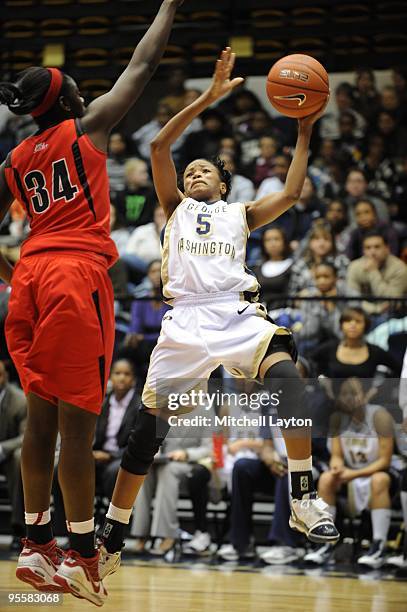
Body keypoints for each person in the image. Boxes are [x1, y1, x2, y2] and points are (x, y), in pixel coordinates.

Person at [99, 48, 339, 576]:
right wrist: (207, 98)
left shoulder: (242, 213)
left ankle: (303, 495)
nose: (196, 174)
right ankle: (112, 532)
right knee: (147, 433)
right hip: (183, 320)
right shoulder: (175, 209)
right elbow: (161, 143)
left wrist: (303, 131)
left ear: (225, 186)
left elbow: (294, 190)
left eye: (206, 170)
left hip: (235, 313)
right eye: (191, 172)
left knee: (289, 383)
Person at [0, 0, 185, 605]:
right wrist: (170, 4)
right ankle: (83, 554)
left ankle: (35, 542)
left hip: (29, 277)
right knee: (77, 429)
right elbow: (145, 60)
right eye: (80, 89)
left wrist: (16, 271)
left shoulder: (14, 161)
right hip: (75, 276)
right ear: (67, 101)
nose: (88, 94)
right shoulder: (87, 129)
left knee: (41, 420)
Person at [305, 377, 395, 568]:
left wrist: (352, 474)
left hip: (378, 472)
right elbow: (336, 455)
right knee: (326, 478)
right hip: (350, 473)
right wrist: (337, 466)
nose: (349, 398)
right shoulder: (337, 419)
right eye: (344, 394)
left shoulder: (380, 416)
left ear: (365, 394)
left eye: (354, 393)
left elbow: (385, 461)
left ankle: (379, 547)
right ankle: (326, 543)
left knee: (379, 480)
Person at [346, 230, 407, 315]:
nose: (372, 252)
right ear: (363, 251)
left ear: (387, 249)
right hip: (362, 314)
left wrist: (373, 272)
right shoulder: (354, 267)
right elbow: (353, 300)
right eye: (368, 248)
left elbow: (393, 301)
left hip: (392, 315)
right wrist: (376, 309)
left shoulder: (399, 268)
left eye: (377, 247)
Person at [0, 360, 26, 551]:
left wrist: (3, 448)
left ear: (5, 376)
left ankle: (19, 529)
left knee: (20, 458)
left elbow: (26, 436)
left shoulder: (19, 400)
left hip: (6, 454)